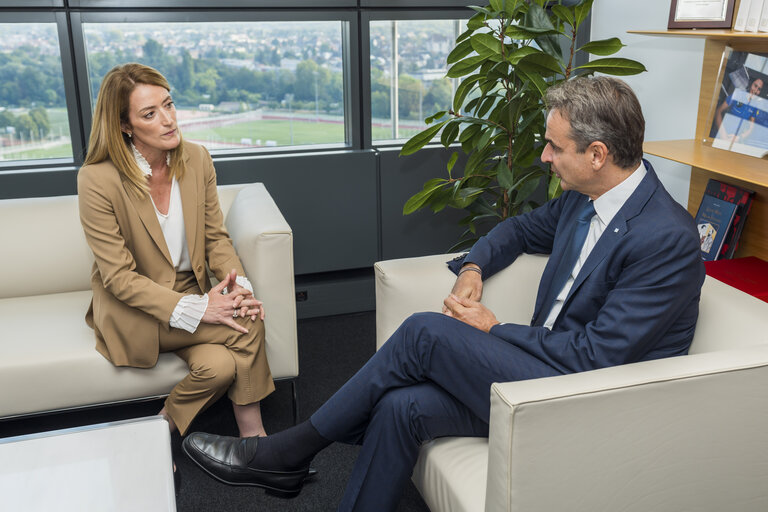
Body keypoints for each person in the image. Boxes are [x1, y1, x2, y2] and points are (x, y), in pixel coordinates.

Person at [182, 76, 706, 510]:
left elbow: (600, 357)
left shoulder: (666, 239)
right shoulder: (584, 197)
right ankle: (297, 467)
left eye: (554, 146)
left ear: (597, 153)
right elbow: (520, 232)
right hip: (544, 372)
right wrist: (474, 267)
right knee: (401, 406)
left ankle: (285, 452)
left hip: (587, 399)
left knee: (425, 333)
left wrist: (493, 328)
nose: (544, 157)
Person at [78, 63, 274, 442]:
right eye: (150, 114)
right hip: (135, 308)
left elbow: (216, 239)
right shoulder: (97, 180)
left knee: (218, 367)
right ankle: (256, 441)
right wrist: (202, 308)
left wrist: (238, 289)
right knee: (248, 325)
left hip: (190, 291)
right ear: (125, 125)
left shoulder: (197, 158)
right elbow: (119, 278)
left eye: (169, 105)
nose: (169, 120)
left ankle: (156, 429)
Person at [713, 77, 764, 146]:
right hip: (722, 136)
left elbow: (751, 127)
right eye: (755, 86)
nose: (756, 90)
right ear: (751, 84)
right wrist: (723, 135)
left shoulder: (755, 105)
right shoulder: (738, 94)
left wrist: (739, 138)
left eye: (759, 89)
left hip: (735, 141)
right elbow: (718, 111)